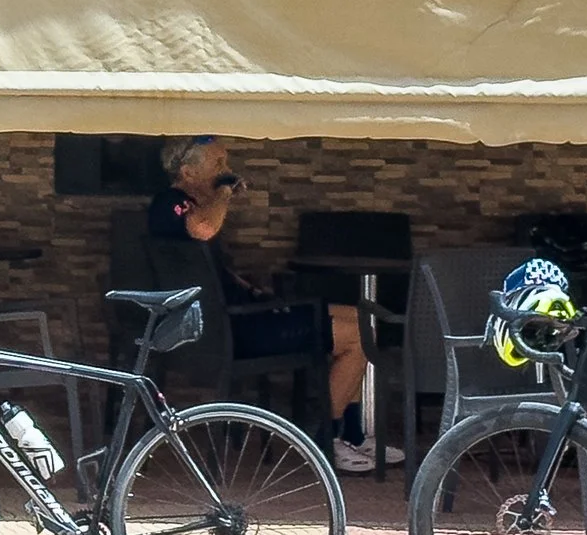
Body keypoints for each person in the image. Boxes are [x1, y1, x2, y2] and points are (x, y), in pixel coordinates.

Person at [147, 136, 399, 476]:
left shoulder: (188, 205)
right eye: (217, 164)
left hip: (245, 316)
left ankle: (353, 434)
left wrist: (249, 287)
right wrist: (224, 192)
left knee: (362, 320)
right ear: (189, 172)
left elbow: (206, 267)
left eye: (226, 163)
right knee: (356, 337)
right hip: (234, 329)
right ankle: (327, 439)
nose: (226, 170)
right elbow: (203, 229)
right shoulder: (171, 203)